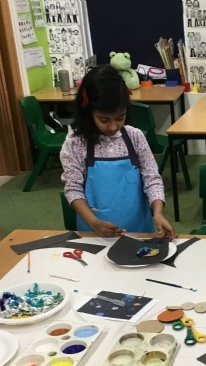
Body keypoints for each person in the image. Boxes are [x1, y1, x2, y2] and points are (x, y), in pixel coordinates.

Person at [60, 64, 175, 239]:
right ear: (88, 111)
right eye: (103, 120)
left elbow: (152, 179)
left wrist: (158, 212)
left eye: (120, 118)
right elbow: (73, 188)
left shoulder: (135, 137)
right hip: (94, 233)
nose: (113, 127)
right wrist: (94, 222)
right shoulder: (76, 142)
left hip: (139, 231)